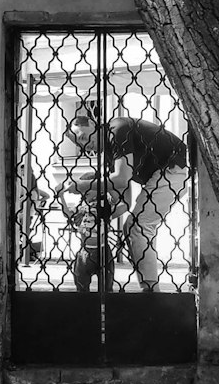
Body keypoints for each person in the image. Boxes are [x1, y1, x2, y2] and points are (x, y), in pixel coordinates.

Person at [67, 109, 188, 290]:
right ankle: (150, 288)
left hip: (174, 168)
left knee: (138, 227)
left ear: (92, 123)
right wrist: (96, 184)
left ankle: (151, 292)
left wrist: (85, 185)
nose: (86, 146)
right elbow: (123, 195)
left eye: (84, 137)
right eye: (80, 145)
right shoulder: (109, 151)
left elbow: (121, 178)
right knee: (135, 227)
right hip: (165, 173)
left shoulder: (117, 129)